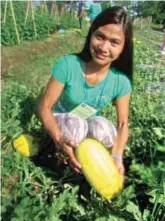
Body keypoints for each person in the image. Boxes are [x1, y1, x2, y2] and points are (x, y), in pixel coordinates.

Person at [38, 6, 133, 181]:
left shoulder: (121, 81)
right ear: (91, 35)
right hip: (60, 120)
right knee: (75, 127)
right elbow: (44, 107)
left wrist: (117, 156)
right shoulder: (68, 64)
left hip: (84, 122)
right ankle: (59, 159)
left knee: (106, 130)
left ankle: (89, 166)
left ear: (123, 48)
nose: (104, 47)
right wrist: (58, 137)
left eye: (114, 42)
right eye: (100, 37)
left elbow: (122, 124)